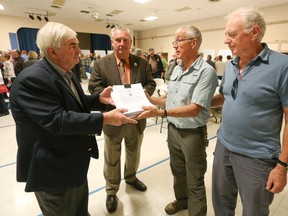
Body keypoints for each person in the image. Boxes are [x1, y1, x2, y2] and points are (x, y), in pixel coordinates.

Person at [9, 21, 137, 216]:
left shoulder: (64, 72)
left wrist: (98, 99)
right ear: (52, 51)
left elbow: (71, 101)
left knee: (80, 211)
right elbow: (57, 119)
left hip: (71, 164)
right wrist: (104, 118)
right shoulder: (33, 79)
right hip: (52, 171)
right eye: (73, 46)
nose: (79, 51)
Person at [211, 8, 288, 216]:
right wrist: (200, 103)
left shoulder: (282, 66)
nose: (226, 40)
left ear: (254, 32)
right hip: (224, 147)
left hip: (257, 157)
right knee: (221, 206)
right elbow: (225, 96)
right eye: (226, 35)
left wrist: (282, 166)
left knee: (254, 211)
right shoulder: (230, 65)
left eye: (232, 35)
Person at [136, 25, 218, 216]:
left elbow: (195, 108)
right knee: (177, 172)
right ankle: (182, 201)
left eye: (179, 40)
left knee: (195, 178)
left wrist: (161, 114)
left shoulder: (206, 72)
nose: (174, 45)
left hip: (192, 135)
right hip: (173, 131)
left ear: (193, 43)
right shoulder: (177, 68)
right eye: (174, 41)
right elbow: (170, 98)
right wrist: (150, 100)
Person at [88, 25, 156, 213]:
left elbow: (151, 82)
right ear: (112, 42)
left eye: (125, 40)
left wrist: (146, 92)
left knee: (134, 153)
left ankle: (131, 177)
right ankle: (111, 190)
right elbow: (93, 88)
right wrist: (106, 96)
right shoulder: (101, 64)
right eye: (118, 40)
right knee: (112, 158)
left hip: (136, 118)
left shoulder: (141, 63)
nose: (122, 44)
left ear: (131, 42)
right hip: (114, 118)